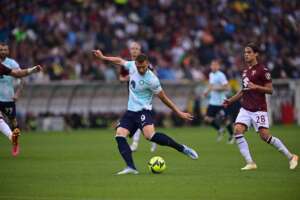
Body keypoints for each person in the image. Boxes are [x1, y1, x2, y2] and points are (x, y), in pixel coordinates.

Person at [93, 50, 199, 175]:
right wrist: (103, 57)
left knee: (150, 136)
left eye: (143, 67)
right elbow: (119, 61)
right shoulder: (132, 66)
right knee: (119, 135)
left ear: (147, 64)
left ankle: (182, 148)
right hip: (130, 112)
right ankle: (131, 167)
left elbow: (164, 98)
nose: (141, 69)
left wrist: (179, 112)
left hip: (144, 111)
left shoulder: (152, 80)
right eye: (139, 67)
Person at [223, 43, 298, 170]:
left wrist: (256, 87)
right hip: (246, 108)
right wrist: (230, 101)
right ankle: (250, 163)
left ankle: (291, 157)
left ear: (256, 54)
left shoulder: (263, 70)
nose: (246, 55)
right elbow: (243, 91)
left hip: (259, 109)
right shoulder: (245, 71)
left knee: (265, 136)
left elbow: (270, 90)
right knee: (237, 131)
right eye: (245, 52)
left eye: (249, 52)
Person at [0, 42, 42, 156]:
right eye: (1, 50)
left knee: (13, 121)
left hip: (8, 97)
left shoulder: (10, 64)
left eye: (5, 50)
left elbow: (19, 75)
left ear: (8, 51)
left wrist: (18, 93)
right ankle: (11, 137)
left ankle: (15, 142)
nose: (3, 52)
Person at [118, 42, 157, 152]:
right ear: (129, 50)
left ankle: (136, 143)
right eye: (132, 48)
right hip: (132, 96)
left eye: (136, 48)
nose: (134, 50)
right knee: (142, 121)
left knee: (140, 118)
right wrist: (127, 78)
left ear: (140, 50)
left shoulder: (145, 63)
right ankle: (153, 139)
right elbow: (121, 78)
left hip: (144, 96)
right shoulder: (127, 65)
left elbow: (153, 76)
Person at [203, 60, 234, 143]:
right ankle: (220, 129)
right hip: (213, 102)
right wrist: (206, 92)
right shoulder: (211, 74)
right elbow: (211, 85)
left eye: (215, 65)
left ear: (218, 67)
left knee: (225, 120)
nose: (213, 67)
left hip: (221, 102)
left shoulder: (221, 75)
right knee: (207, 119)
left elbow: (227, 87)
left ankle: (232, 135)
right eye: (212, 65)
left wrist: (217, 88)